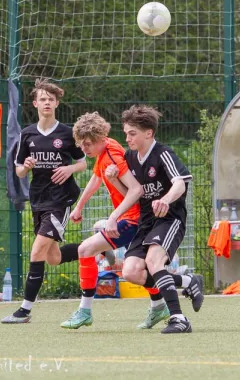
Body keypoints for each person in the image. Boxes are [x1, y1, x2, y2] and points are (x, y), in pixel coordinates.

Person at [60, 112, 170, 330]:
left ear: (101, 139)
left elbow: (136, 190)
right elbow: (97, 177)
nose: (84, 150)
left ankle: (84, 311)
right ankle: (159, 305)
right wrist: (80, 205)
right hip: (131, 218)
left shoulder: (112, 156)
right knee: (134, 270)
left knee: (85, 250)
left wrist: (113, 218)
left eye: (88, 144)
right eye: (82, 145)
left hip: (132, 219)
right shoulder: (105, 147)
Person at [1, 78, 87, 324]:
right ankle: (96, 249)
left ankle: (24, 310)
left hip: (61, 199)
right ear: (35, 103)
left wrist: (69, 169)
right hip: (38, 199)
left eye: (51, 99)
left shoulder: (67, 133)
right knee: (54, 258)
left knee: (37, 250)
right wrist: (26, 166)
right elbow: (18, 170)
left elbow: (82, 162)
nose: (46, 102)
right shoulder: (27, 134)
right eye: (42, 99)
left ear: (56, 103)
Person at [113, 105, 204, 334]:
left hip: (169, 218)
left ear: (148, 133)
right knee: (131, 272)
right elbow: (133, 195)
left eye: (132, 133)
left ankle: (179, 319)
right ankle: (187, 282)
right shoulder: (130, 158)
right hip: (147, 222)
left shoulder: (163, 153)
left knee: (155, 261)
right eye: (125, 133)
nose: (127, 138)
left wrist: (165, 199)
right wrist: (114, 180)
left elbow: (180, 183)